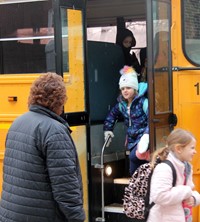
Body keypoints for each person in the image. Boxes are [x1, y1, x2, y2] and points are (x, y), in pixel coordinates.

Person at [0, 73, 85, 222]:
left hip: (11, 215)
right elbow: (65, 188)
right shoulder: (54, 130)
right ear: (59, 101)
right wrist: (77, 217)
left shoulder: (17, 123)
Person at [103, 65, 149, 175]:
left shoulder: (143, 102)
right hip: (132, 141)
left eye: (128, 88)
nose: (125, 91)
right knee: (133, 170)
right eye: (123, 88)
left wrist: (147, 135)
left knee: (134, 157)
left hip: (143, 138)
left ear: (135, 88)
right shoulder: (121, 105)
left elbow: (152, 119)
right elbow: (111, 116)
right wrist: (108, 129)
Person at [147, 128, 200, 222]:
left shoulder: (186, 167)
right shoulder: (164, 168)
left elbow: (190, 190)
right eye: (192, 148)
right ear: (178, 148)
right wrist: (186, 191)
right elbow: (159, 196)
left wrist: (194, 198)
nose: (195, 151)